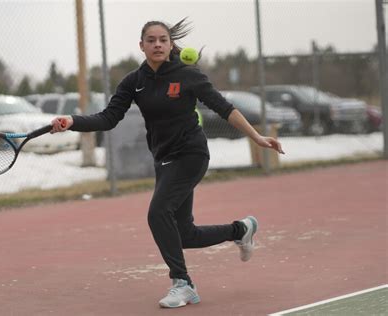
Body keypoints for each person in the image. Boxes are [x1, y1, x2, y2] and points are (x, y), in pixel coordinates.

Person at [51, 18, 284, 309]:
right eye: (151, 40)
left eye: (163, 39)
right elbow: (108, 118)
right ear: (142, 46)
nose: (158, 44)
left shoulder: (188, 75)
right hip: (163, 160)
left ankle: (182, 284)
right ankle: (241, 230)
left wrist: (257, 137)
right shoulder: (134, 82)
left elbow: (225, 108)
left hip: (191, 155)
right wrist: (71, 121)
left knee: (157, 213)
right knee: (183, 234)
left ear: (171, 44)